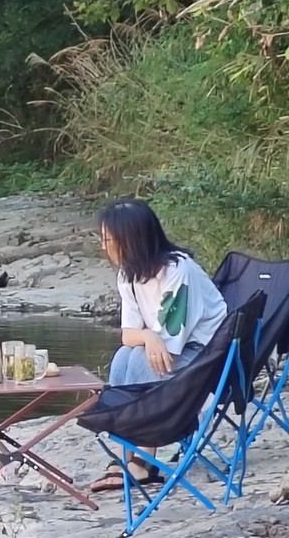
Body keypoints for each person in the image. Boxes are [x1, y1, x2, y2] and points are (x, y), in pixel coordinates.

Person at [89, 198, 228, 492]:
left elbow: (169, 348)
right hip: (167, 348)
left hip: (208, 357)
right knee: (124, 357)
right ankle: (129, 451)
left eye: (108, 239)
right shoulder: (129, 273)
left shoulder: (179, 272)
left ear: (131, 240)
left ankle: (143, 460)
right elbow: (128, 335)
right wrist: (148, 336)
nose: (103, 246)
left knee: (140, 360)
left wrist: (149, 338)